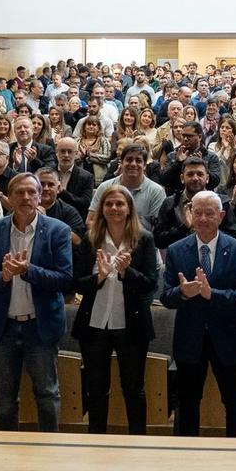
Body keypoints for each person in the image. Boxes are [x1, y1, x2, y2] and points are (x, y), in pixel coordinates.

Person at [0, 173, 73, 432]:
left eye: (31, 192)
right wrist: (3, 277)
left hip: (40, 326)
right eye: (19, 192)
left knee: (47, 394)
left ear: (40, 197)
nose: (26, 197)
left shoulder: (58, 230)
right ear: (9, 197)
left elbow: (64, 279)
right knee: (4, 399)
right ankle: (7, 449)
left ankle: (50, 447)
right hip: (4, 326)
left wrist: (28, 270)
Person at [162, 190, 236, 436]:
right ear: (190, 214)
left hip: (228, 338)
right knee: (187, 402)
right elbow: (165, 296)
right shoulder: (176, 250)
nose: (203, 218)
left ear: (221, 216)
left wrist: (211, 294)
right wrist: (183, 292)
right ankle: (187, 453)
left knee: (235, 401)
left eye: (209, 213)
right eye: (198, 213)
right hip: (189, 339)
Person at [71, 185, 158, 434]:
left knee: (133, 389)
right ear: (101, 209)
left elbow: (150, 284)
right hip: (95, 324)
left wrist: (126, 272)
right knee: (96, 389)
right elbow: (76, 283)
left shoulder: (144, 239)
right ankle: (96, 442)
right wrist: (99, 277)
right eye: (109, 204)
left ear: (129, 208)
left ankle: (137, 442)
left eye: (120, 203)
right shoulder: (90, 239)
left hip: (132, 325)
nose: (114, 208)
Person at [88, 143, 167, 233]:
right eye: (129, 160)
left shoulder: (156, 191)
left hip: (141, 240)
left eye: (138, 160)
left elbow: (158, 229)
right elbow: (91, 220)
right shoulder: (105, 187)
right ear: (121, 162)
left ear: (145, 165)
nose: (133, 164)